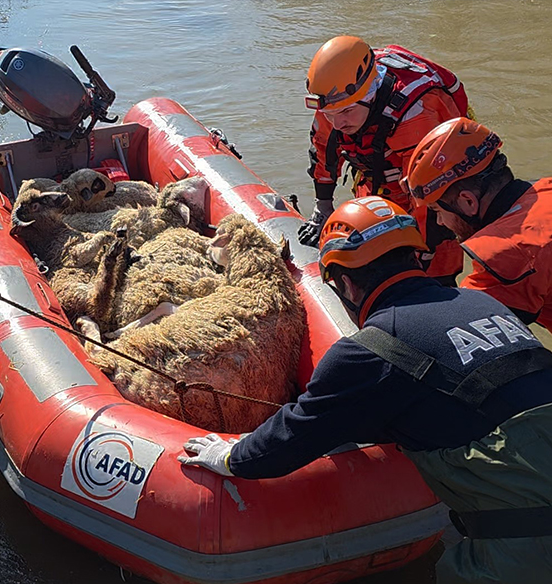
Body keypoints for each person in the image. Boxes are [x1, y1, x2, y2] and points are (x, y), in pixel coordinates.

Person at [179, 196, 552, 583]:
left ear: (345, 283)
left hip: (530, 540)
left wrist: (231, 456)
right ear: (415, 257)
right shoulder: (484, 304)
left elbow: (294, 436)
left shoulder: (371, 350)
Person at [298, 35, 466, 285]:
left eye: (346, 112)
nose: (338, 123)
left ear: (370, 94)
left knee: (434, 270)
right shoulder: (335, 102)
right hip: (376, 180)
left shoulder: (416, 113)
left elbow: (431, 195)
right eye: (330, 115)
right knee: (367, 268)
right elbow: (323, 151)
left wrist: (420, 251)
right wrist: (322, 207)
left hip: (434, 199)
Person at [405, 117, 552, 331]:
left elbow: (452, 324)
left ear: (468, 202)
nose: (439, 222)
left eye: (437, 211)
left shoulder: (509, 253)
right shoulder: (545, 189)